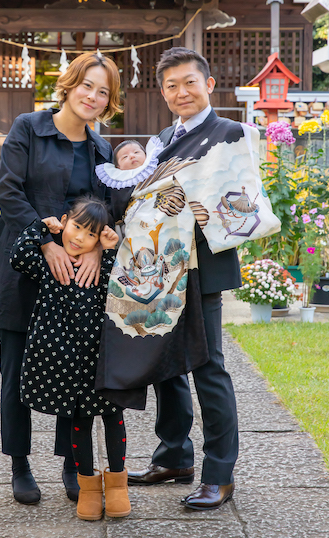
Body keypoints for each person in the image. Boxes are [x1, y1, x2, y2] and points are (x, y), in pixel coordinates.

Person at [0, 52, 121, 505]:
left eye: (103, 92)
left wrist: (93, 247)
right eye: (87, 86)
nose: (92, 97)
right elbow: (8, 191)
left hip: (77, 280)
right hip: (23, 269)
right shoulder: (28, 128)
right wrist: (45, 243)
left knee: (75, 371)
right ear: (69, 84)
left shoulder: (102, 149)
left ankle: (73, 465)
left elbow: (108, 209)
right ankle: (20, 464)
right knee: (15, 370)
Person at [125, 47, 241, 510]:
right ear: (163, 92)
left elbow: (242, 205)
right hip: (162, 267)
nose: (181, 92)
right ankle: (174, 457)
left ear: (209, 84)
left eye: (189, 82)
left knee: (208, 366)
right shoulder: (161, 140)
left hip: (205, 266)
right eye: (171, 85)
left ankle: (220, 473)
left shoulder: (231, 133)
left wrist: (196, 211)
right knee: (165, 365)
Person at [10, 196, 131, 521]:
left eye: (88, 234)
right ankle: (88, 488)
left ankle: (118, 486)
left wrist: (110, 248)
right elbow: (18, 257)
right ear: (65, 221)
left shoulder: (103, 264)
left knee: (112, 417)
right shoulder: (53, 263)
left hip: (101, 361)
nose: (78, 237)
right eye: (75, 226)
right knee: (79, 422)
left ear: (97, 239)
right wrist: (42, 228)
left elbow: (127, 280)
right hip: (63, 362)